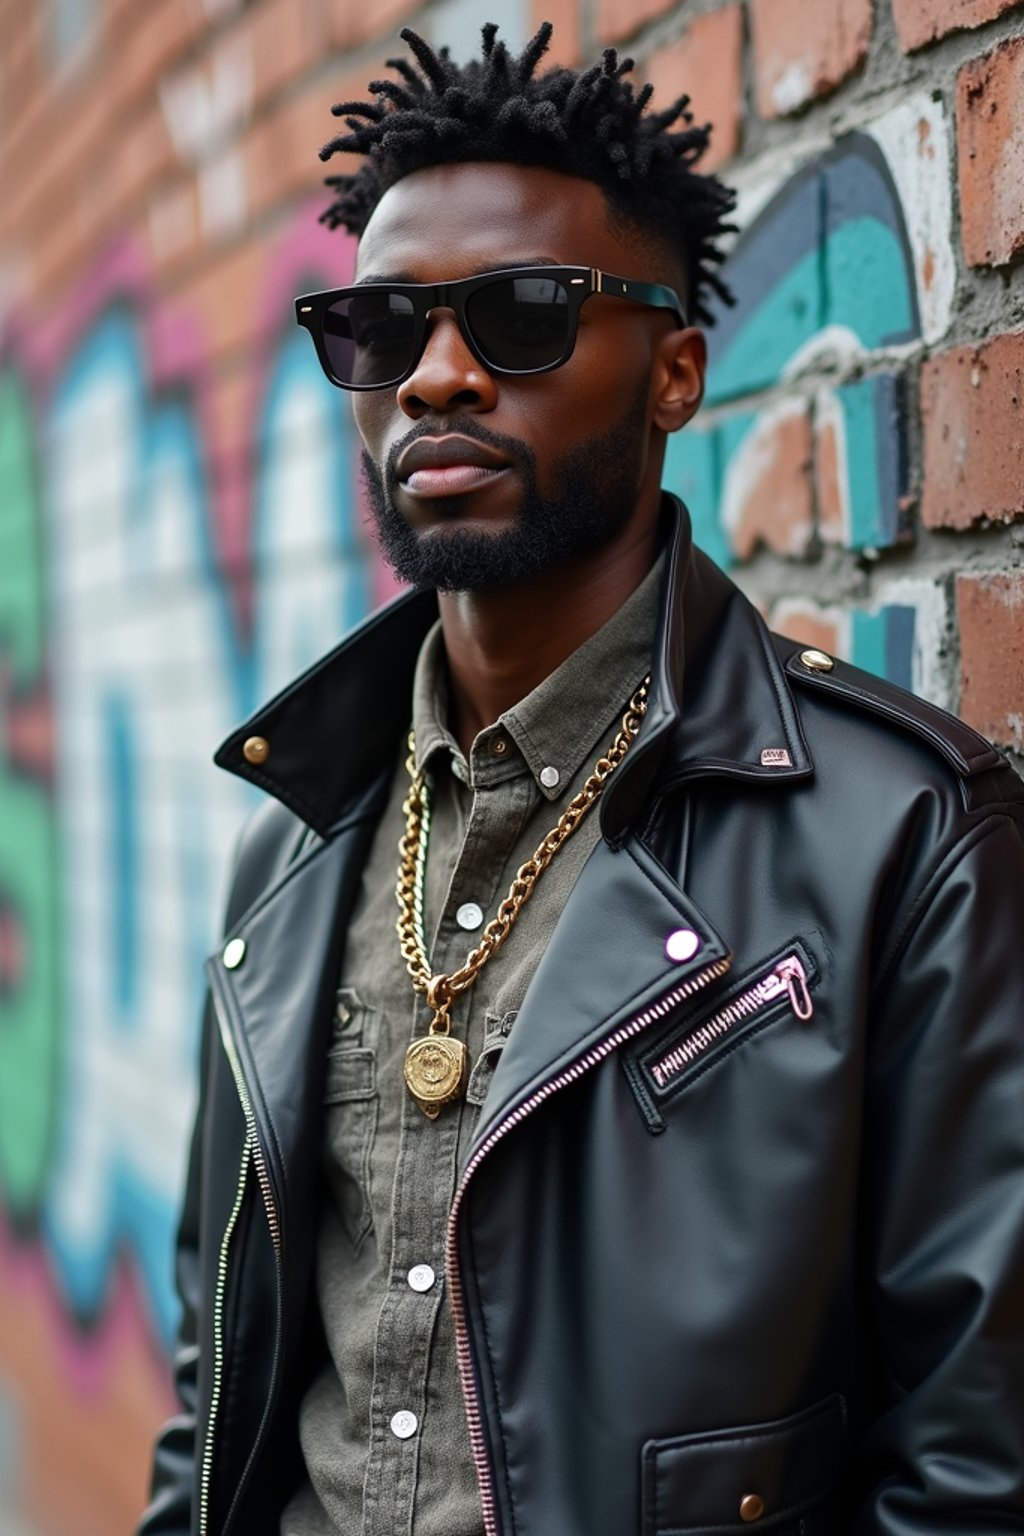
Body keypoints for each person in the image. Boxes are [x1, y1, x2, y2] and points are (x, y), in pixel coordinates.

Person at [138, 21, 1024, 1536]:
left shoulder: (905, 835)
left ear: (675, 371)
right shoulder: (290, 854)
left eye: (526, 316)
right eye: (381, 327)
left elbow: (973, 1468)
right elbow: (218, 1393)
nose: (437, 378)